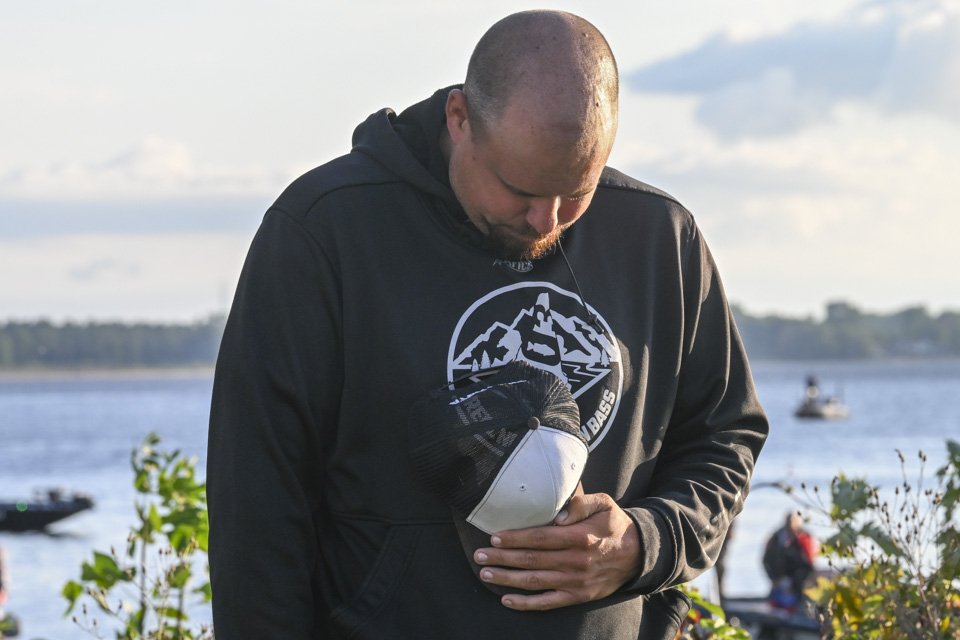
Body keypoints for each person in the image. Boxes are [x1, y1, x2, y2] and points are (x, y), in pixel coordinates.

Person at [207, 10, 768, 639]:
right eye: (519, 188)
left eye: (575, 192)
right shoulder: (324, 232)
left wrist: (645, 542)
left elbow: (725, 436)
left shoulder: (658, 237)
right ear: (460, 118)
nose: (546, 221)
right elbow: (257, 505)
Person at [762, 511, 819, 613]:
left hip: (799, 585)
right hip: (779, 582)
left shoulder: (805, 539)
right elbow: (766, 560)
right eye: (788, 523)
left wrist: (794, 584)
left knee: (800, 609)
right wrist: (774, 579)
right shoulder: (776, 538)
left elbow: (810, 566)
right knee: (774, 608)